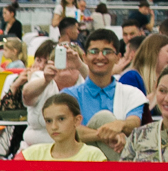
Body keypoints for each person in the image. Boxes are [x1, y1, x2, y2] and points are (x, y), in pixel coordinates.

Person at [61, 29, 145, 161]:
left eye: (107, 52)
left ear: (118, 57)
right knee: (104, 118)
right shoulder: (69, 95)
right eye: (94, 51)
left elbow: (134, 123)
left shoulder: (131, 93)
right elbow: (68, 130)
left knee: (105, 118)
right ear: (85, 57)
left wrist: (120, 125)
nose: (100, 57)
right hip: (80, 164)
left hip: (120, 160)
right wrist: (112, 135)